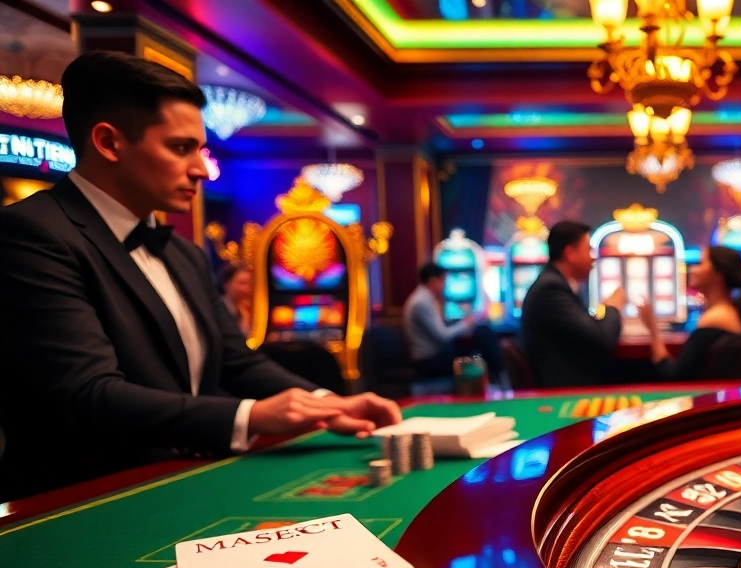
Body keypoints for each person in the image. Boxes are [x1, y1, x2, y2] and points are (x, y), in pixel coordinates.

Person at [0, 51, 401, 502]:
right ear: (109, 143)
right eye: (180, 148)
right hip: (79, 504)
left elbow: (237, 361)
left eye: (200, 149)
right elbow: (89, 394)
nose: (200, 168)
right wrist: (249, 417)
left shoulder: (183, 253)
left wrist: (328, 405)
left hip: (178, 485)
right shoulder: (32, 234)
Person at [520, 220, 625, 388]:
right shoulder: (551, 289)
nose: (593, 258)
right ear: (571, 253)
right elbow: (603, 340)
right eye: (588, 250)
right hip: (565, 388)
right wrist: (613, 307)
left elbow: (587, 329)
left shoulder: (558, 283)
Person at [638, 246, 741, 381]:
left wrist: (653, 329)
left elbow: (673, 377)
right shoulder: (727, 313)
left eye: (701, 263)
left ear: (718, 274)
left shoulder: (714, 319)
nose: (693, 269)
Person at [404, 261, 502, 381]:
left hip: (434, 356)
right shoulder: (422, 302)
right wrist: (466, 323)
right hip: (427, 362)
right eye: (443, 281)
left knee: (482, 334)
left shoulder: (424, 298)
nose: (445, 286)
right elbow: (444, 336)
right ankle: (501, 378)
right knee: (484, 336)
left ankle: (497, 379)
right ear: (433, 281)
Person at [218, 262, 252, 335]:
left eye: (251, 283)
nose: (249, 288)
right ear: (226, 285)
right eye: (243, 283)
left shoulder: (254, 309)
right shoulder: (219, 310)